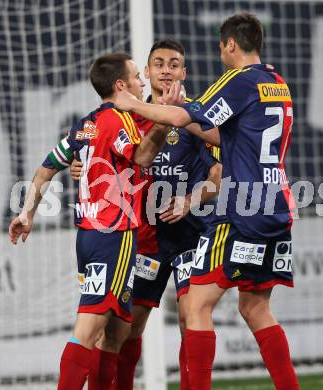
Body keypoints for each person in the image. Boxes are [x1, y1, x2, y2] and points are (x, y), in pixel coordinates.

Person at [114, 12, 300, 390]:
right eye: (158, 64)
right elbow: (225, 134)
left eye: (221, 45)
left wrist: (133, 105)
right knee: (255, 307)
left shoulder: (236, 81)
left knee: (196, 307)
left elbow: (186, 117)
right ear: (147, 71)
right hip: (276, 204)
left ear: (230, 44)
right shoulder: (278, 83)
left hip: (240, 211)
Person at [8, 52, 170, 390]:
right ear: (121, 85)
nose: (143, 82)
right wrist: (165, 120)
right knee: (90, 329)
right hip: (115, 236)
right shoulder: (118, 120)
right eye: (138, 77)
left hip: (89, 237)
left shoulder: (86, 124)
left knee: (116, 330)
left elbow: (45, 169)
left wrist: (27, 213)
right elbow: (141, 156)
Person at [70, 39, 222, 390]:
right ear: (148, 71)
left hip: (190, 236)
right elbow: (98, 153)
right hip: (143, 238)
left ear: (184, 72)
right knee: (125, 328)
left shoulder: (198, 116)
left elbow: (219, 175)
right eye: (158, 63)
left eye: (174, 64)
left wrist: (189, 200)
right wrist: (82, 165)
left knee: (191, 318)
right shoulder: (128, 115)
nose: (166, 69)